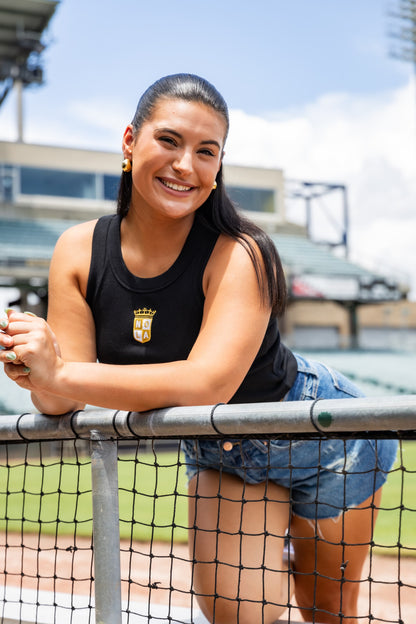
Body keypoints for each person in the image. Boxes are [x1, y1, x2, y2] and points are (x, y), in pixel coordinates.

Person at [1, 73, 397, 624]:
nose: (186, 165)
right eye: (169, 140)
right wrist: (34, 364)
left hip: (321, 436)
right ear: (129, 142)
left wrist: (58, 373)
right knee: (239, 615)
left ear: (218, 167)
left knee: (326, 608)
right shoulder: (76, 250)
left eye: (206, 152)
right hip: (223, 450)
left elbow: (207, 384)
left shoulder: (242, 252)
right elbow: (60, 401)